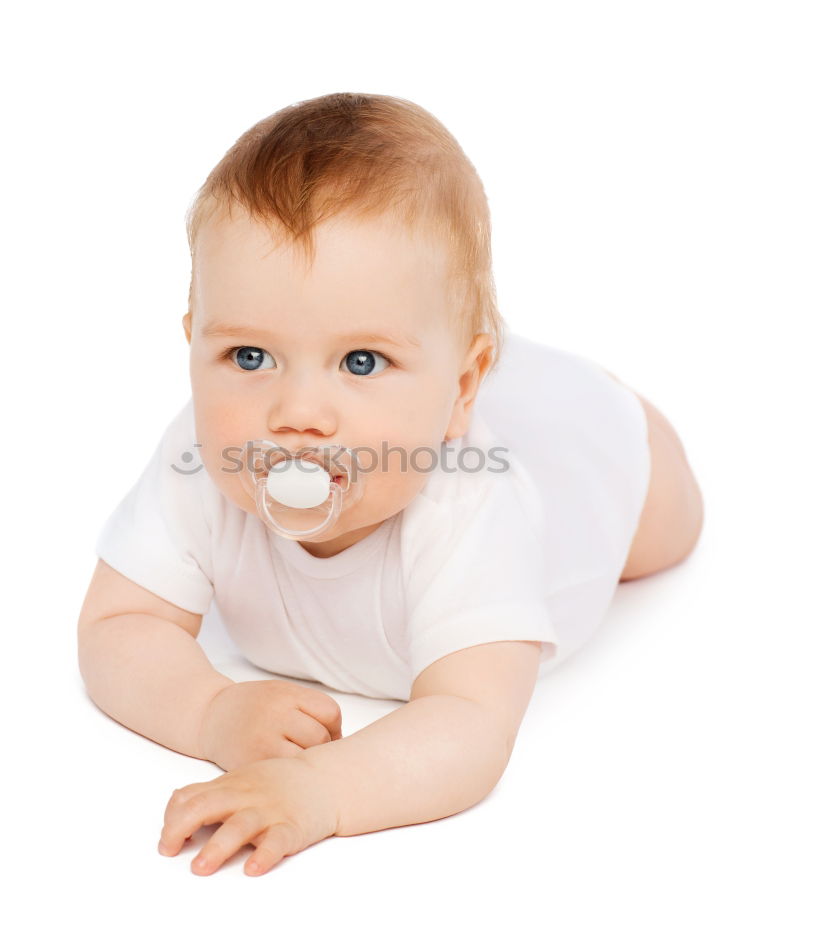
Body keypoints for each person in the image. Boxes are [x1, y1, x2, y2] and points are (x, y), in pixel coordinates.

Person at [76, 92, 705, 877]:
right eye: (248, 356)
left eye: (360, 361)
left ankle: (581, 394)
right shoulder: (203, 458)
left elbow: (469, 719)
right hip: (450, 392)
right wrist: (210, 710)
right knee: (426, 354)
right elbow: (117, 623)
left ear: (462, 387)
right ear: (194, 341)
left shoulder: (471, 510)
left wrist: (320, 787)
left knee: (664, 535)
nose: (297, 413)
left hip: (594, 450)